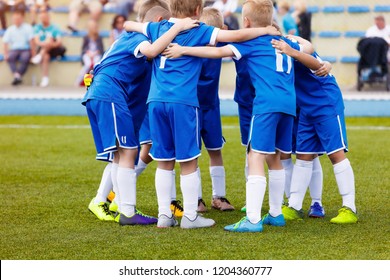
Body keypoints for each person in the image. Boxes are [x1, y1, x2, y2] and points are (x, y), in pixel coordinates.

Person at [125, 0, 281, 229]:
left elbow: (129, 24)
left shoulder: (157, 27)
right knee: (189, 161)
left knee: (164, 161)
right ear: (198, 11)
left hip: (156, 101)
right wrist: (266, 30)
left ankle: (164, 216)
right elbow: (236, 36)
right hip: (184, 102)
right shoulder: (200, 30)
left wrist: (170, 28)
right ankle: (190, 217)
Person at [163, 0, 316, 232]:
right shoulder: (285, 42)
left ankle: (253, 219)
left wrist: (183, 50)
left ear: (246, 22)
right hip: (289, 104)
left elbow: (216, 52)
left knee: (255, 156)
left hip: (266, 104)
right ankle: (275, 213)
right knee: (275, 157)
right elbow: (309, 48)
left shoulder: (251, 42)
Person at [83, 3, 199, 225]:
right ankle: (126, 211)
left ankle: (120, 205)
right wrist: (179, 27)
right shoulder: (139, 37)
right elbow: (152, 50)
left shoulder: (126, 36)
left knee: (122, 153)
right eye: (165, 26)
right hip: (110, 94)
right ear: (156, 24)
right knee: (129, 151)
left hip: (105, 94)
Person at [273, 36, 358, 224]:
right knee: (304, 156)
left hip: (325, 102)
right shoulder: (265, 48)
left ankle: (349, 207)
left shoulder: (285, 44)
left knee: (336, 154)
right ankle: (295, 206)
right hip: (306, 107)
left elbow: (312, 57)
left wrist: (294, 52)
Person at [196, 7, 235, 212]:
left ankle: (218, 197)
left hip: (211, 106)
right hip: (191, 106)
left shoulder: (221, 41)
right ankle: (197, 199)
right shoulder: (192, 41)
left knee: (215, 150)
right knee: (192, 154)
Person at [31, 10, 66, 87]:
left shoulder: (54, 27)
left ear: (48, 17)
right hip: (43, 48)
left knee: (50, 39)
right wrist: (45, 44)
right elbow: (36, 41)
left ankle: (40, 56)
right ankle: (45, 78)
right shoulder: (37, 27)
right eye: (41, 17)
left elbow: (59, 42)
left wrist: (50, 44)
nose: (43, 19)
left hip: (54, 48)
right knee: (46, 56)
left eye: (44, 17)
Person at [2, 10, 35, 86]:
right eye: (15, 19)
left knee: (25, 58)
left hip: (25, 49)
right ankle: (17, 76)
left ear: (22, 19)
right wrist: (5, 54)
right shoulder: (10, 29)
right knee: (10, 57)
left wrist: (33, 54)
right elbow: (5, 42)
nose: (16, 21)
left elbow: (31, 41)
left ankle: (17, 75)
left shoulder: (28, 27)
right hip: (14, 49)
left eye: (18, 19)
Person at [76, 19, 104, 86]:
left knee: (95, 66)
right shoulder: (86, 37)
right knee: (87, 65)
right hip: (87, 54)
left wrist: (95, 53)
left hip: (97, 54)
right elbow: (83, 49)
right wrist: (88, 53)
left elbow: (101, 49)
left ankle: (95, 82)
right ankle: (79, 81)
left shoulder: (99, 37)